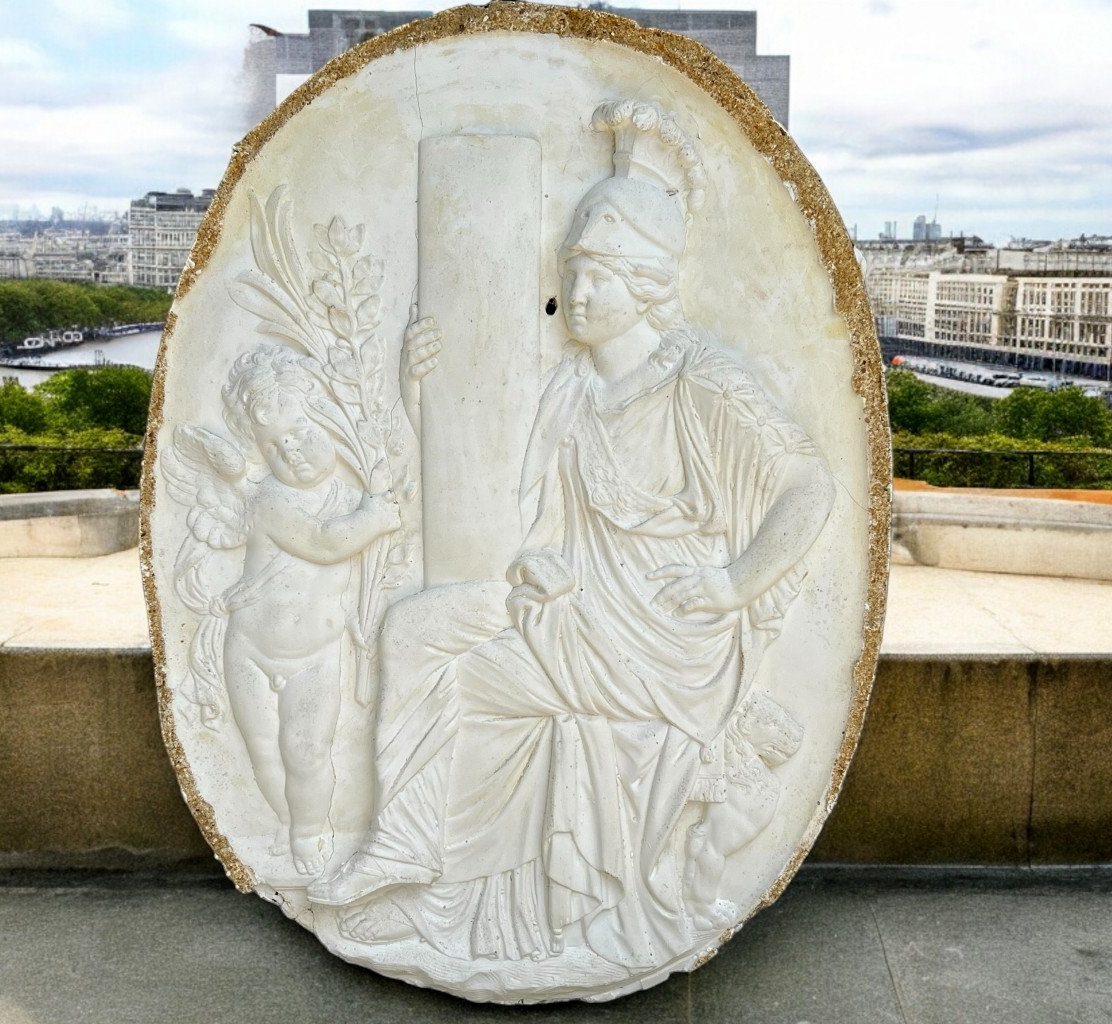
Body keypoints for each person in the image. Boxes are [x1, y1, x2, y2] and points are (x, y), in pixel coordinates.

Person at [311, 100, 834, 975]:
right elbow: (515, 513)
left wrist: (736, 582)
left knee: (473, 683)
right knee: (414, 626)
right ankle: (404, 850)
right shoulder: (573, 389)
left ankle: (443, 898)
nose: (576, 293)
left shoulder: (702, 380)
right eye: (571, 272)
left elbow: (808, 485)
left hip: (668, 640)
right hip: (584, 613)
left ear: (647, 283)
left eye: (596, 275)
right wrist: (417, 393)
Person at [218, 347, 401, 876]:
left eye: (300, 432)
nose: (290, 450)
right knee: (263, 751)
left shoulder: (349, 492)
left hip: (316, 655)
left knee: (305, 750)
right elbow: (325, 544)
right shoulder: (271, 500)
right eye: (273, 445)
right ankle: (280, 821)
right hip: (251, 650)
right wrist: (377, 518)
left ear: (328, 422)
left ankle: (309, 831)